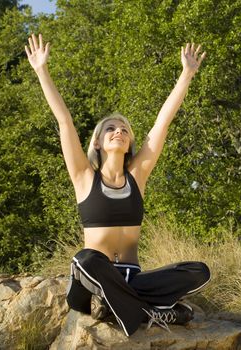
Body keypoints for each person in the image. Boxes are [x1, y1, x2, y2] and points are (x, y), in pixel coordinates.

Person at [25, 34, 211, 336]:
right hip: (90, 281)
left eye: (124, 129)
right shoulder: (84, 177)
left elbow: (162, 124)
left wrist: (186, 74)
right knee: (84, 259)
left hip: (132, 279)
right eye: (111, 128)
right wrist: (42, 71)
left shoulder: (138, 176)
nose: (119, 131)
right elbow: (64, 122)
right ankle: (150, 311)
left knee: (199, 271)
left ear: (130, 142)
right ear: (97, 141)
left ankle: (128, 308)